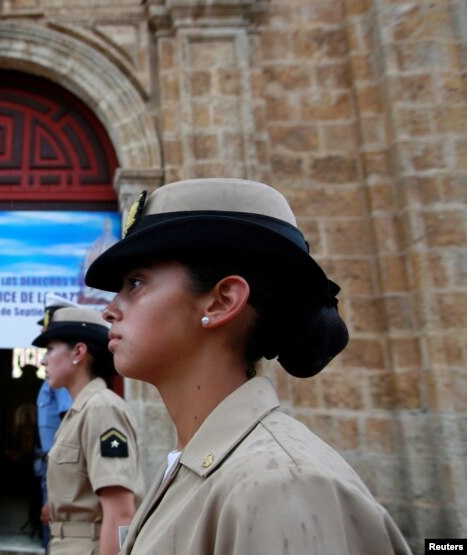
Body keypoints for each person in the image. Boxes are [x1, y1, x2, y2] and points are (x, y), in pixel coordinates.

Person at [85, 178, 411, 554]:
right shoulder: (199, 465)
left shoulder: (280, 487)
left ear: (221, 302)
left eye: (136, 283)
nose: (109, 310)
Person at [34, 295, 143, 555]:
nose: (43, 360)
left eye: (50, 349)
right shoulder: (78, 413)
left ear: (78, 352)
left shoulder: (102, 409)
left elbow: (121, 513)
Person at [35, 375, 72, 551]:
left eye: (51, 350)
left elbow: (68, 421)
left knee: (53, 527)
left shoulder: (59, 384)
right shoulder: (50, 384)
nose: (43, 360)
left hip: (58, 463)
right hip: (48, 462)